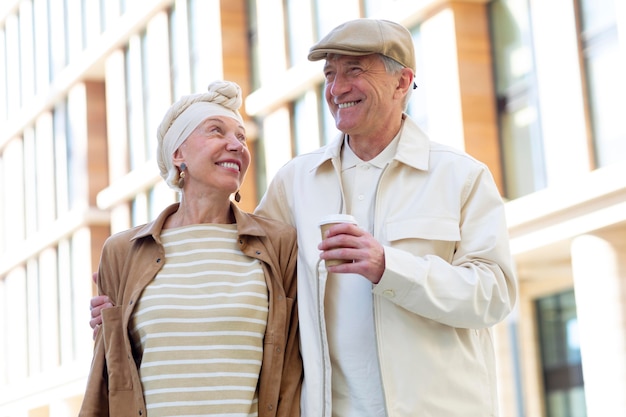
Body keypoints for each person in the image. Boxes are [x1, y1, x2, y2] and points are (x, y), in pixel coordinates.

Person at [91, 18, 517, 416]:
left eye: (355, 71)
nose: (337, 87)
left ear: (402, 81)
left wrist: (390, 267)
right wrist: (126, 305)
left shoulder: (460, 176)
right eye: (330, 74)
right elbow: (238, 269)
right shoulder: (296, 182)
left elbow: (495, 294)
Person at [80, 80, 302, 417]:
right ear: (178, 155)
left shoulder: (279, 244)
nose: (236, 145)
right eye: (216, 131)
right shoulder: (123, 251)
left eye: (241, 137)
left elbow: (294, 362)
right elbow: (111, 375)